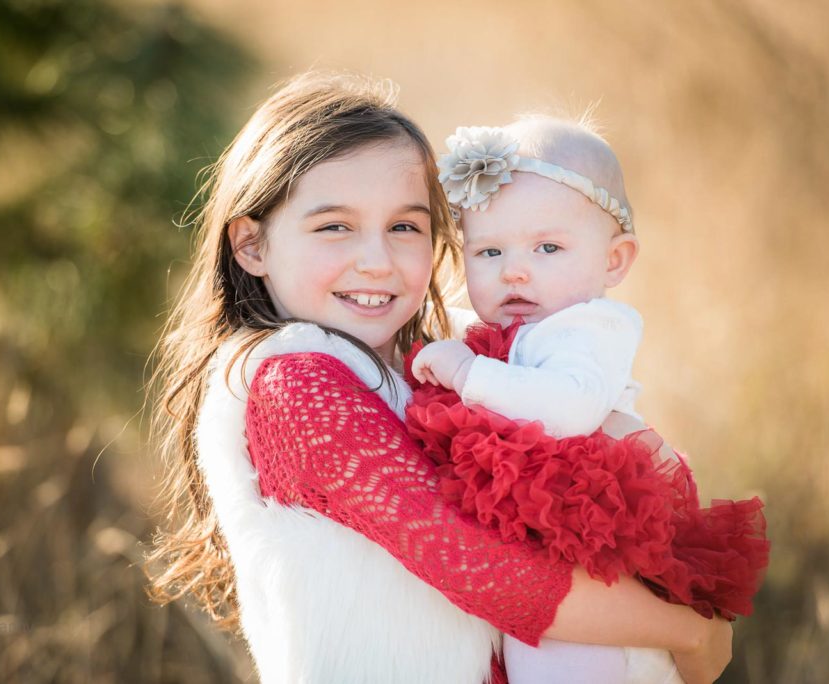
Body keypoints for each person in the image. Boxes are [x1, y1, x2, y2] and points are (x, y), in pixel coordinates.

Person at [146, 72, 733, 683]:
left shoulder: (419, 360)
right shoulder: (294, 384)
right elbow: (485, 569)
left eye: (405, 227)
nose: (377, 261)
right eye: (334, 226)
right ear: (251, 246)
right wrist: (691, 634)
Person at [410, 118, 768, 683]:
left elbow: (569, 406)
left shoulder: (592, 327)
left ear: (614, 261)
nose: (515, 269)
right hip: (548, 561)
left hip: (593, 545)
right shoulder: (510, 325)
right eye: (489, 251)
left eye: (548, 246)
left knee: (566, 660)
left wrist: (468, 372)